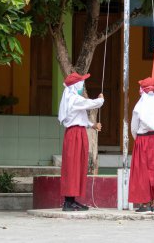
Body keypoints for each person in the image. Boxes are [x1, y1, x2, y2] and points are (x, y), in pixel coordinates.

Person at [58, 72, 104, 211]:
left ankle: (72, 200)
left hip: (78, 132)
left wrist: (92, 125)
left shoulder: (72, 98)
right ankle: (68, 201)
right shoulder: (73, 99)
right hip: (75, 135)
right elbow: (89, 104)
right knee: (72, 166)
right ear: (75, 85)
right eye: (81, 82)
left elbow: (79, 117)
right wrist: (100, 100)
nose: (82, 85)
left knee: (77, 166)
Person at [129, 77, 154, 215]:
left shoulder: (139, 107)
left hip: (143, 140)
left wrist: (138, 140)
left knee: (142, 171)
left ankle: (144, 204)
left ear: (142, 91)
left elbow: (134, 128)